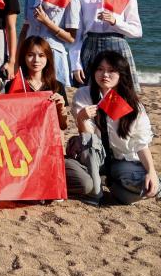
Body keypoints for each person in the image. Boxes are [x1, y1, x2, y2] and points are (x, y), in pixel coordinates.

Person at [67, 51, 158, 205]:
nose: (105, 75)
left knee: (131, 195)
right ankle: (95, 193)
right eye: (100, 69)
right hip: (95, 157)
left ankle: (112, 183)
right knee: (90, 142)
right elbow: (88, 139)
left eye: (111, 70)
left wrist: (151, 171)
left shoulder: (132, 104)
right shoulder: (84, 94)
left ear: (121, 74)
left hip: (122, 160)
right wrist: (82, 119)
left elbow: (140, 143)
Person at [74, 0, 143, 92]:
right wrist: (76, 63)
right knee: (91, 94)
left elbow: (137, 32)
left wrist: (115, 21)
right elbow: (77, 34)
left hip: (118, 46)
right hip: (90, 46)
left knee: (122, 94)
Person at [18, 0, 80, 87]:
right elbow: (25, 28)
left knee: (54, 95)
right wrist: (17, 55)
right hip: (30, 55)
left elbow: (71, 38)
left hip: (53, 55)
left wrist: (46, 22)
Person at [6, 36, 67, 130]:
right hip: (20, 135)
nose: (36, 60)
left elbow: (63, 126)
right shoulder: (12, 85)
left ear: (48, 58)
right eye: (30, 55)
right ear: (23, 57)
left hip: (47, 135)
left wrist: (61, 108)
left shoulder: (57, 86)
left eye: (41, 55)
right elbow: (6, 118)